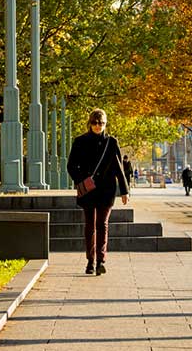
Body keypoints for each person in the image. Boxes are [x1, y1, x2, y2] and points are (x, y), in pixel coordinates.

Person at [67, 108, 129, 276]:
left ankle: (101, 260)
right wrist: (82, 180)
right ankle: (90, 261)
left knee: (103, 224)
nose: (97, 126)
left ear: (105, 124)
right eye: (94, 122)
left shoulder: (112, 142)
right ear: (90, 123)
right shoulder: (80, 141)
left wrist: (124, 191)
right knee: (90, 225)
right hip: (88, 189)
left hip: (106, 190)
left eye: (101, 123)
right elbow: (71, 166)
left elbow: (118, 168)